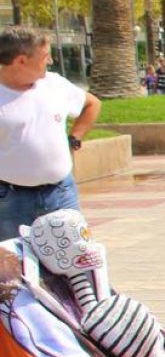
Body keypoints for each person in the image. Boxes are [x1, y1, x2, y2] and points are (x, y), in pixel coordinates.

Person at [0, 26, 100, 241]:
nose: (51, 61)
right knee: (13, 269)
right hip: (9, 200)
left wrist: (74, 140)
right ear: (21, 60)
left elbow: (92, 105)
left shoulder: (54, 84)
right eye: (45, 55)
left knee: (74, 260)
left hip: (61, 194)